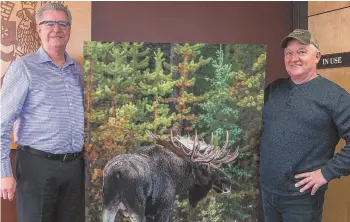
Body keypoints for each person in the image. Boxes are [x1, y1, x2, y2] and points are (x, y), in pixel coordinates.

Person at [0, 3, 84, 222]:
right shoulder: (24, 67)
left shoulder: (79, 70)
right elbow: (1, 122)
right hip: (36, 168)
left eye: (63, 23)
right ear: (38, 29)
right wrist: (4, 172)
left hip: (75, 169)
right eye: (49, 23)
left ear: (69, 29)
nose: (56, 28)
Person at [259, 29, 350, 221]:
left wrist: (327, 172)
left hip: (302, 200)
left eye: (301, 51)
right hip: (267, 192)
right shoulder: (273, 90)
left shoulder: (335, 96)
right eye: (288, 53)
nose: (294, 58)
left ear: (317, 56)